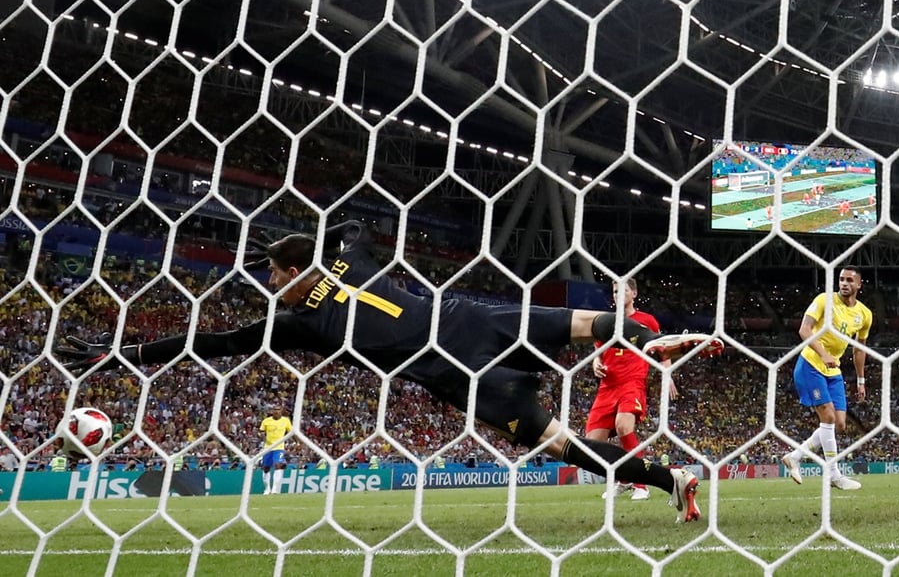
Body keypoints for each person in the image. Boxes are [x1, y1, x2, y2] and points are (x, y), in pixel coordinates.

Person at [55, 220, 723, 522]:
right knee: (589, 323)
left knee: (565, 446)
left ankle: (668, 476)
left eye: (274, 273)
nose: (271, 283)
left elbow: (216, 342)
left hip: (458, 373)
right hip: (472, 319)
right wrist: (336, 245)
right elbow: (354, 227)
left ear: (294, 272)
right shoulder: (349, 256)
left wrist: (126, 353)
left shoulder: (299, 321)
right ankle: (652, 343)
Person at [781, 266, 872, 491]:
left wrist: (861, 380)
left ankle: (794, 456)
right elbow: (804, 329)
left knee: (839, 423)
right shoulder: (824, 300)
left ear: (859, 284)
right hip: (811, 365)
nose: (844, 283)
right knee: (828, 417)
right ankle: (833, 475)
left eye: (849, 280)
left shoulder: (865, 314)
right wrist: (823, 354)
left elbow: (859, 349)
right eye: (841, 279)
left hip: (833, 371)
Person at [585, 278, 676, 502]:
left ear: (634, 294)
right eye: (615, 291)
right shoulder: (607, 322)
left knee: (623, 425)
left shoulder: (647, 321)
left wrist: (667, 375)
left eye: (623, 291)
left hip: (631, 382)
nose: (618, 295)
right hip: (607, 387)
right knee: (591, 443)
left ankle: (641, 484)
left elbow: (662, 348)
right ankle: (623, 479)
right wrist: (596, 362)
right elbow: (598, 351)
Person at [259, 404, 292, 494]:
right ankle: (267, 489)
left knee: (278, 465)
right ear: (272, 411)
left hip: (279, 447)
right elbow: (261, 432)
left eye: (278, 410)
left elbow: (291, 432)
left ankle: (275, 489)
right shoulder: (266, 421)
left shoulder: (286, 421)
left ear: (281, 411)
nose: (277, 411)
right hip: (268, 447)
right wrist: (265, 439)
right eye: (275, 409)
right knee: (266, 468)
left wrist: (297, 442)